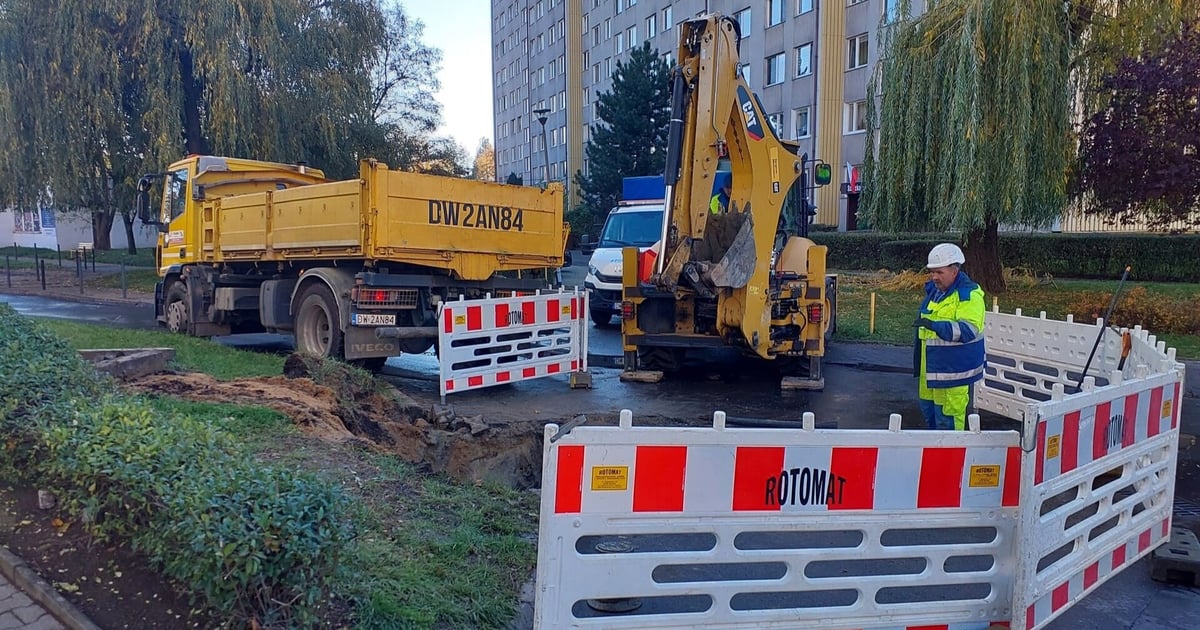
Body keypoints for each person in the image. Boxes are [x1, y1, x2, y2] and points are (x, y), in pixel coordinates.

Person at [914, 243, 986, 430]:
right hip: (931, 376)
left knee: (950, 429)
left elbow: (968, 330)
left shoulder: (968, 295)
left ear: (954, 271)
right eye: (932, 272)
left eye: (939, 272)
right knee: (931, 424)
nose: (934, 277)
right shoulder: (935, 292)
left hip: (952, 377)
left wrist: (936, 326)